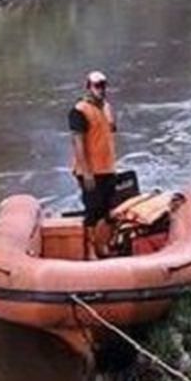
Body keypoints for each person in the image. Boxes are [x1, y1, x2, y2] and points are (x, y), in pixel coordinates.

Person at [69, 70, 117, 257]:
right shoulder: (79, 111)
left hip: (108, 167)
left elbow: (110, 131)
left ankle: (102, 245)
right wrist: (87, 173)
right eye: (97, 86)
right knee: (93, 210)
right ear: (88, 87)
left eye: (103, 85)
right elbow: (78, 143)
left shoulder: (106, 107)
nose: (101, 89)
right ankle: (89, 250)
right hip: (90, 171)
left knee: (107, 211)